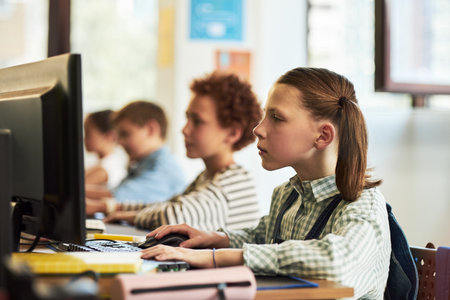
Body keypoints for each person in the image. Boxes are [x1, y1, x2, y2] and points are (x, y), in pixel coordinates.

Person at [138, 68, 391, 299]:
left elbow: (337, 261)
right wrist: (213, 239)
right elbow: (262, 237)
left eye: (277, 118)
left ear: (322, 135)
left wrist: (216, 258)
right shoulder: (287, 195)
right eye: (263, 117)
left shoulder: (362, 205)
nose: (258, 129)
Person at [104, 72, 263, 231]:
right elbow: (167, 205)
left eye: (197, 121)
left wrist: (133, 217)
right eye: (187, 119)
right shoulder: (208, 176)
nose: (185, 130)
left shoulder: (233, 183)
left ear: (232, 133)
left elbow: (172, 216)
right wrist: (112, 208)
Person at [86, 100, 186, 215]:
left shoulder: (164, 168)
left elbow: (118, 197)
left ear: (151, 129)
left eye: (125, 134)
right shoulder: (142, 164)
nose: (120, 143)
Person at [84, 109, 127, 190]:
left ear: (110, 136)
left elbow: (73, 190)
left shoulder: (105, 169)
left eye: (88, 134)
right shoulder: (97, 164)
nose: (84, 139)